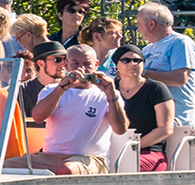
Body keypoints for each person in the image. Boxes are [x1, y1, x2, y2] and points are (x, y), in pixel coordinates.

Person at [14, 44, 126, 175]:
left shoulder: (106, 94)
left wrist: (111, 95)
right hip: (50, 156)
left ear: (96, 65)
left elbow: (120, 129)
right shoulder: (51, 90)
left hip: (90, 159)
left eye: (87, 64)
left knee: (66, 169)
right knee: (4, 167)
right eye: (76, 64)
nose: (82, 69)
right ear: (66, 65)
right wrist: (61, 88)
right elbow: (38, 117)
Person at [111, 43, 175, 172]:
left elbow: (165, 129)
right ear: (116, 65)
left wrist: (133, 146)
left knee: (124, 164)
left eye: (137, 60)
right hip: (113, 149)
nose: (132, 63)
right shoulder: (109, 88)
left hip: (149, 151)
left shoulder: (156, 88)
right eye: (126, 60)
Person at [137, 2, 195, 126]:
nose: (138, 29)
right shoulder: (146, 50)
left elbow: (180, 78)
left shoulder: (181, 42)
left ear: (151, 24)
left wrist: (142, 73)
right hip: (154, 122)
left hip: (180, 122)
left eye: (139, 24)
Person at [15, 41, 70, 116]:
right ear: (41, 63)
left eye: (65, 59)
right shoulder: (22, 91)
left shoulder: (72, 88)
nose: (63, 64)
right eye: (57, 60)